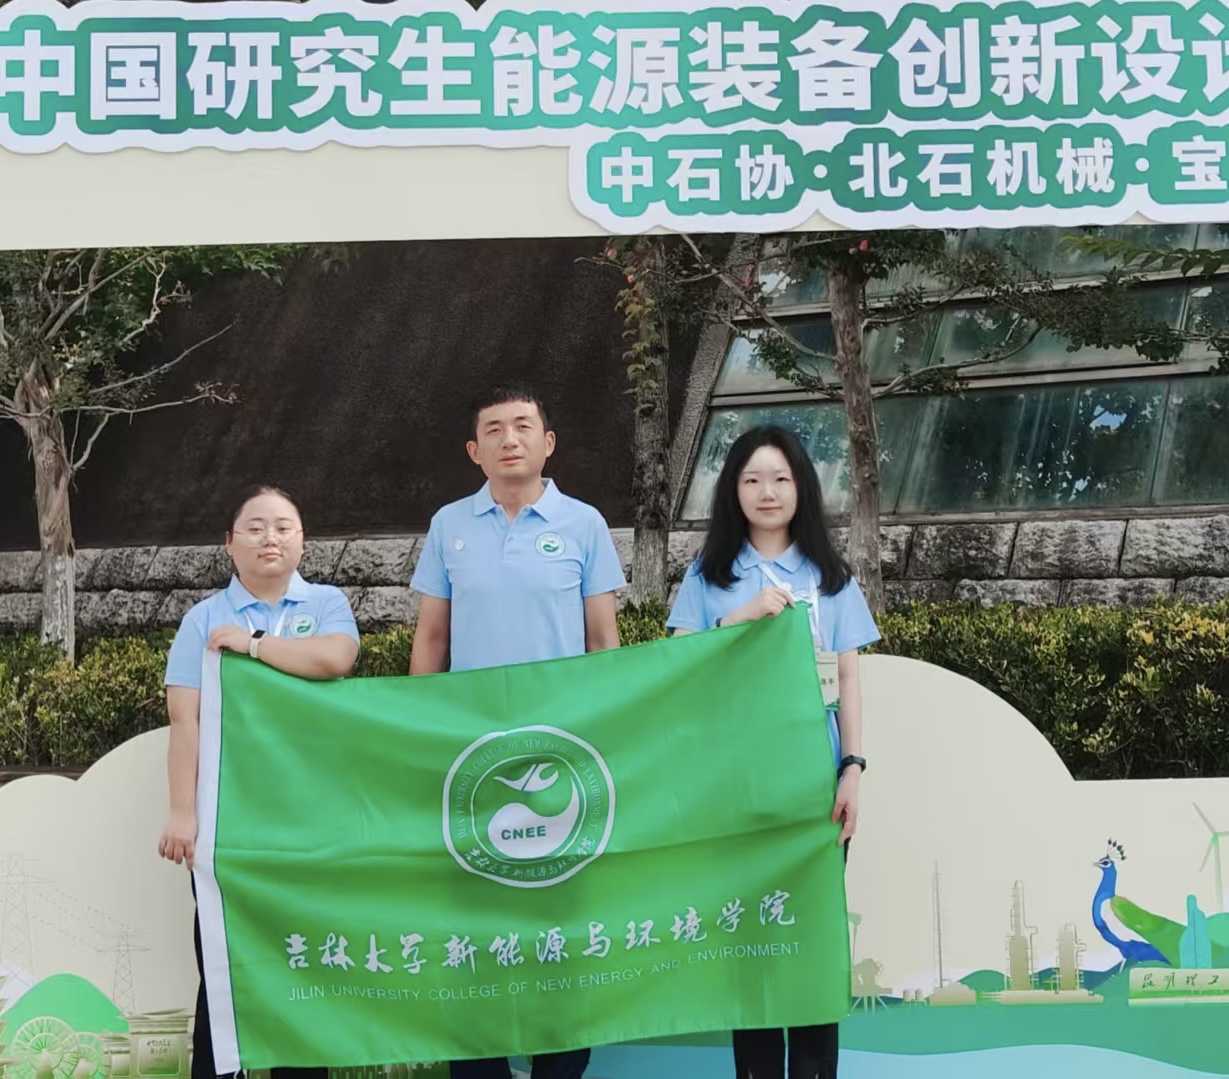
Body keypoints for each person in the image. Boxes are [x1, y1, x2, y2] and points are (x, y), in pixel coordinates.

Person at [409, 384, 624, 1079]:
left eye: (524, 426)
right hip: (472, 761)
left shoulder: (584, 524)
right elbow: (431, 639)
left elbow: (603, 641)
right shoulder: (449, 525)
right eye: (495, 429)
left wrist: (607, 734)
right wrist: (420, 733)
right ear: (474, 451)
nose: (510, 439)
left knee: (559, 928)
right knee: (475, 925)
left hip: (560, 758)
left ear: (547, 442)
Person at [665, 425, 879, 1079]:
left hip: (814, 789)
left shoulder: (830, 578)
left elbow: (848, 681)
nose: (767, 491)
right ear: (733, 490)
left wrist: (851, 769)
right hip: (737, 790)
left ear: (801, 488)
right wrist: (741, 616)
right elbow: (677, 666)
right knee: (753, 940)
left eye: (780, 478)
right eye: (752, 478)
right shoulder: (707, 577)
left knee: (810, 941)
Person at [158, 484, 361, 1079]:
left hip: (310, 818)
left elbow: (336, 659)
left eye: (282, 527)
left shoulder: (327, 604)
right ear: (229, 543)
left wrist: (252, 645)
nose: (269, 537)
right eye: (254, 527)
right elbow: (186, 720)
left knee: (306, 960)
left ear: (302, 541)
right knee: (225, 963)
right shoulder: (202, 619)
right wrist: (182, 812)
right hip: (229, 820)